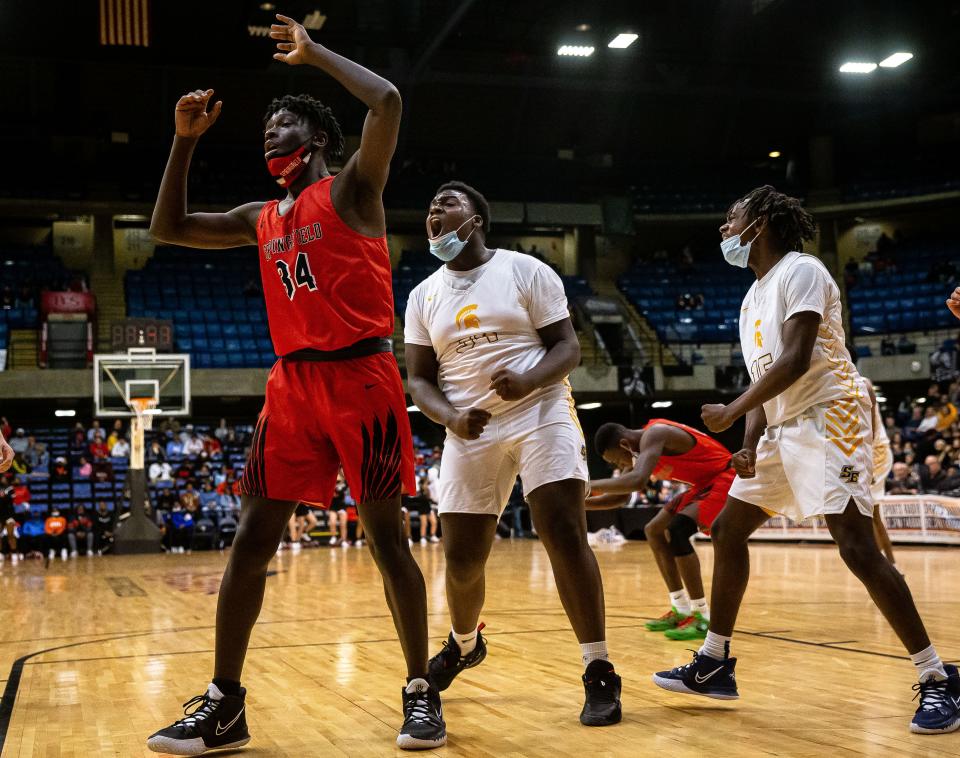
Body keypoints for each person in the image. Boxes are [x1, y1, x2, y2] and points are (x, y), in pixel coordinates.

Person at [145, 15, 443, 754]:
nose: (270, 131)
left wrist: (312, 56)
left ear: (314, 140)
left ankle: (419, 691)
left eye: (284, 122)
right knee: (251, 538)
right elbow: (167, 227)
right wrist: (184, 140)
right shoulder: (260, 216)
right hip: (292, 389)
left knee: (386, 542)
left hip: (363, 378)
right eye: (268, 124)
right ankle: (225, 703)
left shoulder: (353, 191)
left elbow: (389, 103)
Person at [652, 185, 959, 735]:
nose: (724, 228)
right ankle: (715, 661)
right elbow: (764, 382)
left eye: (732, 216)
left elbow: (794, 361)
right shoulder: (750, 298)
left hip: (829, 412)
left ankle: (938, 678)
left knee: (858, 548)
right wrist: (748, 439)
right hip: (783, 426)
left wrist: (731, 412)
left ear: (762, 222)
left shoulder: (802, 270)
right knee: (727, 529)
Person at [405, 181, 621, 727]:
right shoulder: (423, 295)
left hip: (539, 412)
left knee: (564, 534)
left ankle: (598, 670)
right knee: (461, 560)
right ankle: (464, 642)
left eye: (447, 204)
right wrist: (451, 416)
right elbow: (420, 380)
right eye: (431, 207)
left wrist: (526, 381)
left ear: (476, 218)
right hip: (468, 430)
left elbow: (568, 347)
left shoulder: (524, 270)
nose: (435, 212)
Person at [587, 419, 735, 641]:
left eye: (616, 460)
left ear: (624, 444)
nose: (618, 467)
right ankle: (681, 609)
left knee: (677, 530)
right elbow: (620, 497)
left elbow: (637, 482)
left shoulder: (655, 434)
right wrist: (578, 502)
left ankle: (702, 615)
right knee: (654, 530)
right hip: (705, 484)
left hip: (726, 477)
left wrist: (587, 486)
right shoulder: (638, 449)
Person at [864, 378, 896, 566]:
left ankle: (888, 565)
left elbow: (872, 431)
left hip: (875, 451)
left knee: (873, 515)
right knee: (869, 515)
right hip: (866, 451)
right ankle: (888, 564)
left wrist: (867, 461)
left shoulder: (862, 382)